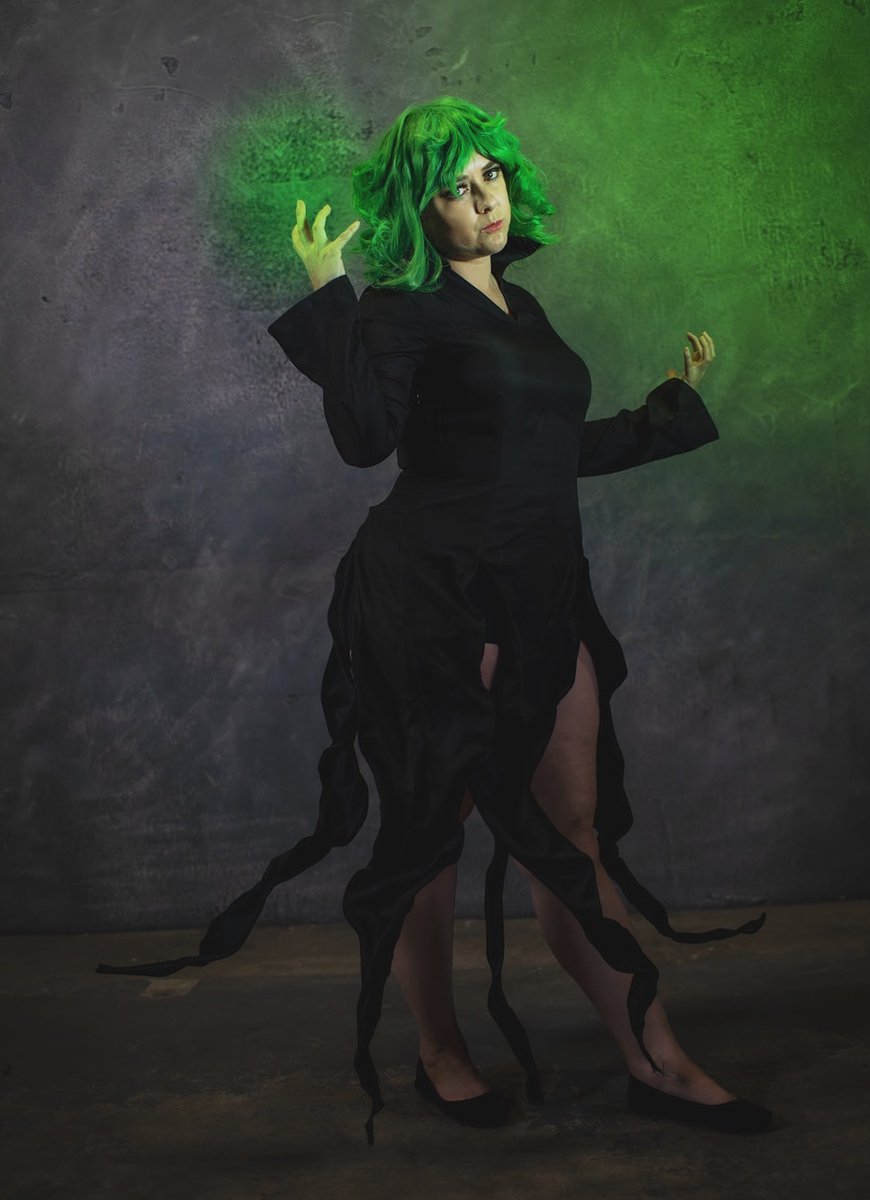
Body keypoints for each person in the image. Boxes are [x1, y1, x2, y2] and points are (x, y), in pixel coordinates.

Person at [97, 96, 771, 1143]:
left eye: (490, 174)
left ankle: (657, 1058)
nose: (483, 199)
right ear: (422, 209)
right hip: (439, 598)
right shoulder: (398, 308)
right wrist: (328, 293)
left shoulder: (521, 307)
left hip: (540, 593)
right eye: (455, 187)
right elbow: (365, 438)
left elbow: (546, 452)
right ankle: (441, 1052)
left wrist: (666, 410)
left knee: (572, 833)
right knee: (430, 840)